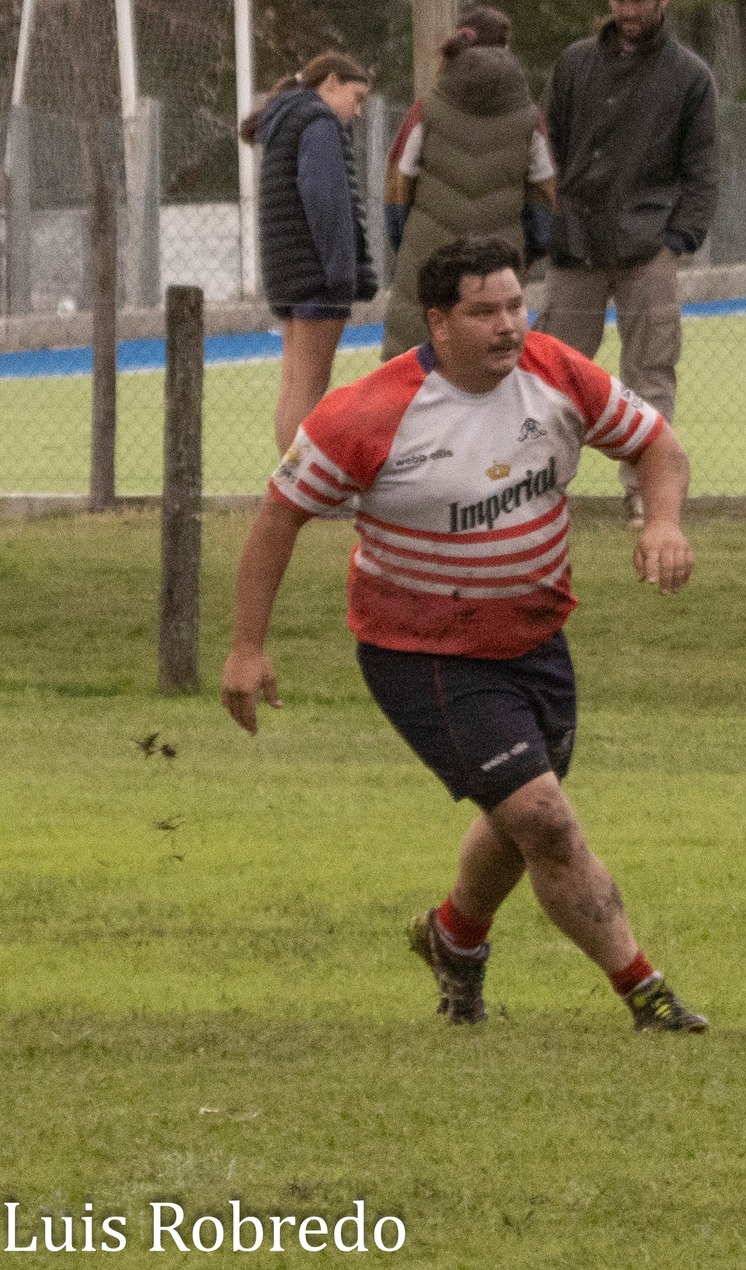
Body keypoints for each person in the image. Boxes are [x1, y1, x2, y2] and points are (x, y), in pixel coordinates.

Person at [220, 236, 705, 1034]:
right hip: (422, 654)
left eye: (516, 305)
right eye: (484, 312)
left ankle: (454, 938)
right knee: (543, 816)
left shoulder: (557, 375)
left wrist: (663, 522)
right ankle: (646, 993)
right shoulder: (370, 412)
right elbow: (279, 517)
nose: (508, 325)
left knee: (518, 826)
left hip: (536, 641)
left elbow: (657, 444)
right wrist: (246, 647)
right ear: (438, 321)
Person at [539, 0, 718, 528]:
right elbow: (549, 149)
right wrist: (550, 222)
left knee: (651, 372)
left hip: (649, 245)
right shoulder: (574, 64)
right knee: (556, 372)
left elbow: (703, 167)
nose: (628, 8)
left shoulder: (690, 75)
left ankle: (647, 492)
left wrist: (679, 239)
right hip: (576, 242)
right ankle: (542, 485)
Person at [381, 7, 556, 359]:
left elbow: (398, 183)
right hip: (499, 257)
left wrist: (407, 242)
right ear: (506, 48)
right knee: (494, 365)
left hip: (427, 258)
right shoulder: (529, 116)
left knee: (415, 370)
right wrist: (527, 249)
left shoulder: (426, 108)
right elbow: (544, 194)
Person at [240, 51, 380, 456]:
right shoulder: (318, 122)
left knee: (293, 387)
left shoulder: (287, 120)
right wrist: (341, 272)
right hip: (317, 274)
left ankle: (293, 482)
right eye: (356, 97)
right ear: (331, 82)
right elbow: (325, 200)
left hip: (289, 271)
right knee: (310, 389)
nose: (357, 110)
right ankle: (302, 488)